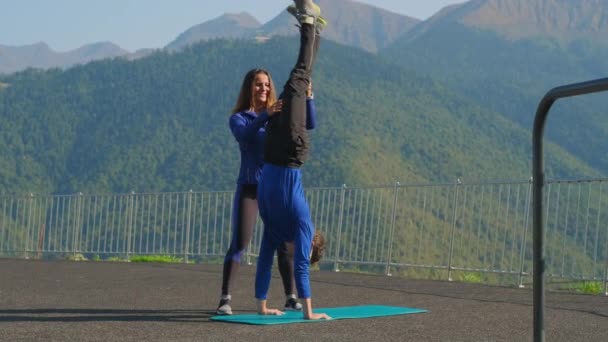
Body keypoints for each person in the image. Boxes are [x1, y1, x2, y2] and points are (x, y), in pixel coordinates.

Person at [217, 63, 319, 313]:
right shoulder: (240, 117)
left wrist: (309, 99)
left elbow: (310, 124)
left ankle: (290, 296)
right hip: (251, 188)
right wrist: (266, 114)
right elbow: (245, 136)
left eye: (266, 84)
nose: (263, 88)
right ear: (249, 88)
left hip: (274, 188)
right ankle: (225, 299)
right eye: (258, 84)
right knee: (241, 242)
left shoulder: (278, 112)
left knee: (284, 243)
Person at [255, 0, 331, 321]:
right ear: (310, 244)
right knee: (299, 77)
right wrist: (307, 313)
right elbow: (291, 264)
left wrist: (265, 307)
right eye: (308, 248)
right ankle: (309, 24)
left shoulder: (282, 229)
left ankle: (312, 25)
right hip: (286, 151)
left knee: (301, 77)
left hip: (279, 151)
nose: (304, 248)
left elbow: (274, 262)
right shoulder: (293, 225)